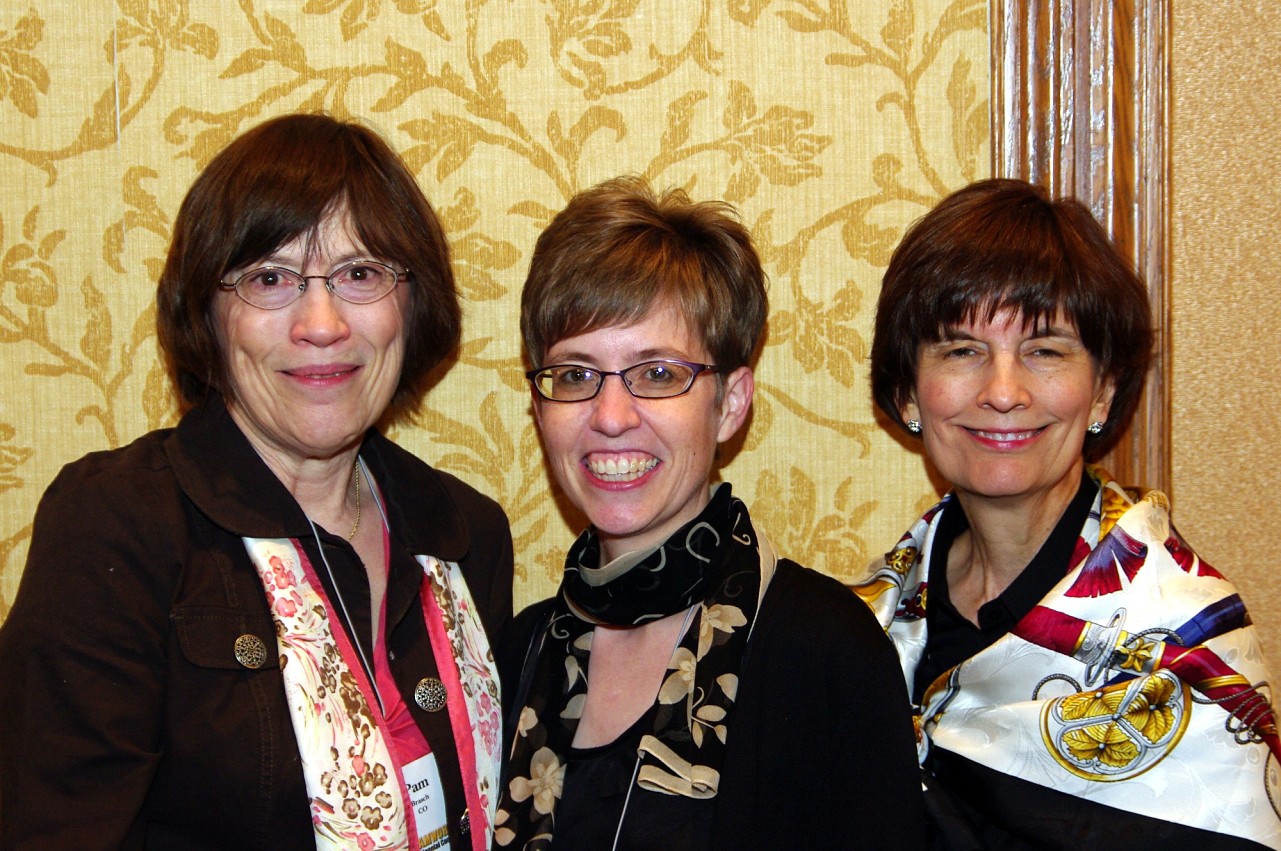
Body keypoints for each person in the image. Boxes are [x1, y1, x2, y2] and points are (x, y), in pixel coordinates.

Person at [0, 114, 512, 850]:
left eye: (360, 273)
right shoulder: (117, 525)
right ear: (207, 313)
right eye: (270, 278)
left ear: (413, 300)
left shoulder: (464, 533)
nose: (322, 322)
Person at [494, 175, 926, 850]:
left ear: (729, 402)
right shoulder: (513, 653)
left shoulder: (825, 654)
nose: (610, 416)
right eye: (575, 373)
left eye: (658, 373)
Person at [854, 177, 1281, 849]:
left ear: (1104, 391)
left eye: (1044, 350)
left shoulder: (1180, 641)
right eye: (961, 350)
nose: (1001, 392)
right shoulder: (864, 625)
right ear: (907, 389)